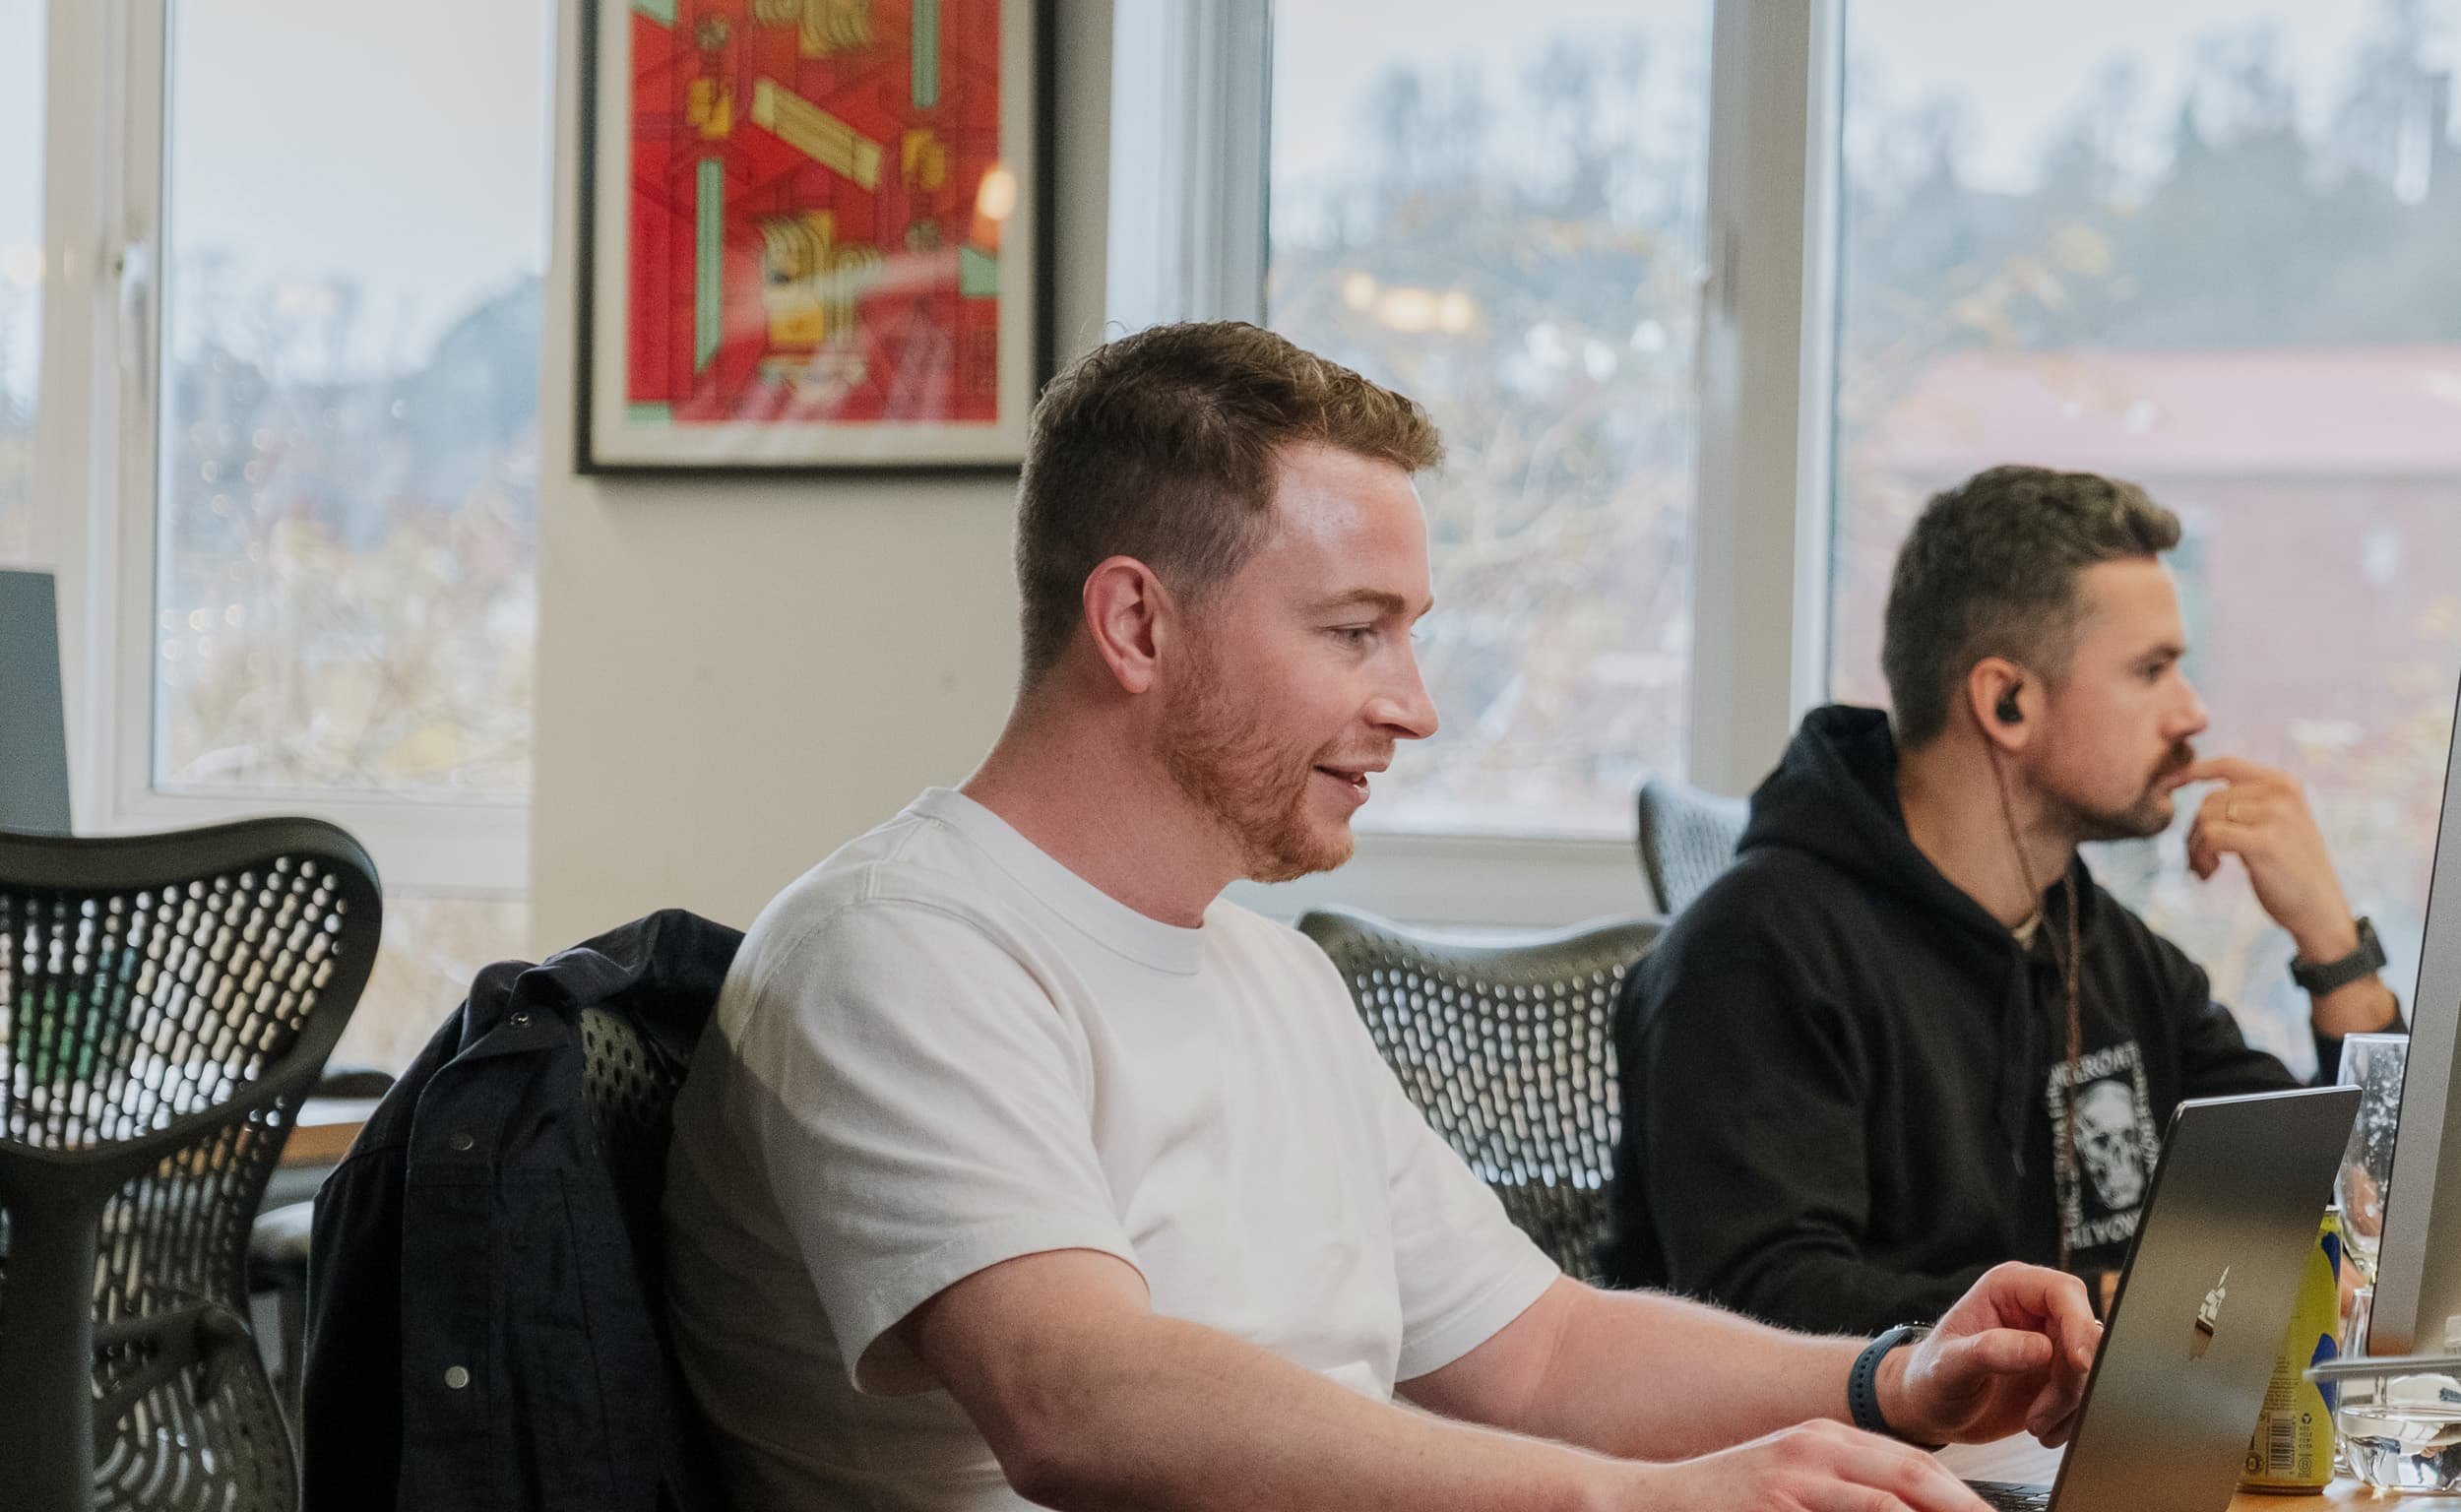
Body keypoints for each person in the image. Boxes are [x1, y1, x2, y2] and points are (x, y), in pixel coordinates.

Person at [662, 326, 2098, 1511]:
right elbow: (1073, 1397)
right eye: (1356, 632)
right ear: (1137, 626)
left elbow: (1541, 1353)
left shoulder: (1269, 977)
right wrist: (1637, 1504)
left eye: (1412, 634)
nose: (1414, 704)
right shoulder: (897, 948)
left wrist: (1890, 1380)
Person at [1602, 465, 2401, 1335]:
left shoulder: (2102, 948)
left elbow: (2347, 1210)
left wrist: (2333, 948)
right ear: (2007, 701)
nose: (2193, 712)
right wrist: (2114, 1312)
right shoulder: (1755, 957)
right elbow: (1768, 1309)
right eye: (2152, 670)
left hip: (2067, 1465)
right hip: (1862, 1469)